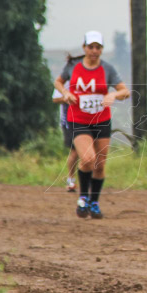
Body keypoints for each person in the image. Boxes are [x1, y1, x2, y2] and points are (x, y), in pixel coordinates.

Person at [54, 31, 129, 219]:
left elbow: (125, 91)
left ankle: (94, 202)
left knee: (100, 165)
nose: (94, 51)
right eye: (91, 47)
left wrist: (113, 95)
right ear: (84, 48)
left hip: (101, 120)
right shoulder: (73, 67)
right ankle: (83, 198)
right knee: (87, 158)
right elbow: (58, 81)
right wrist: (66, 92)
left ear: (102, 49)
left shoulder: (107, 69)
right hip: (78, 119)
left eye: (98, 47)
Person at [52, 57, 81, 192]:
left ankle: (87, 179)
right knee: (75, 152)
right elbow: (55, 98)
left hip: (85, 120)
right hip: (68, 121)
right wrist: (67, 97)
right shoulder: (66, 81)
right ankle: (71, 179)